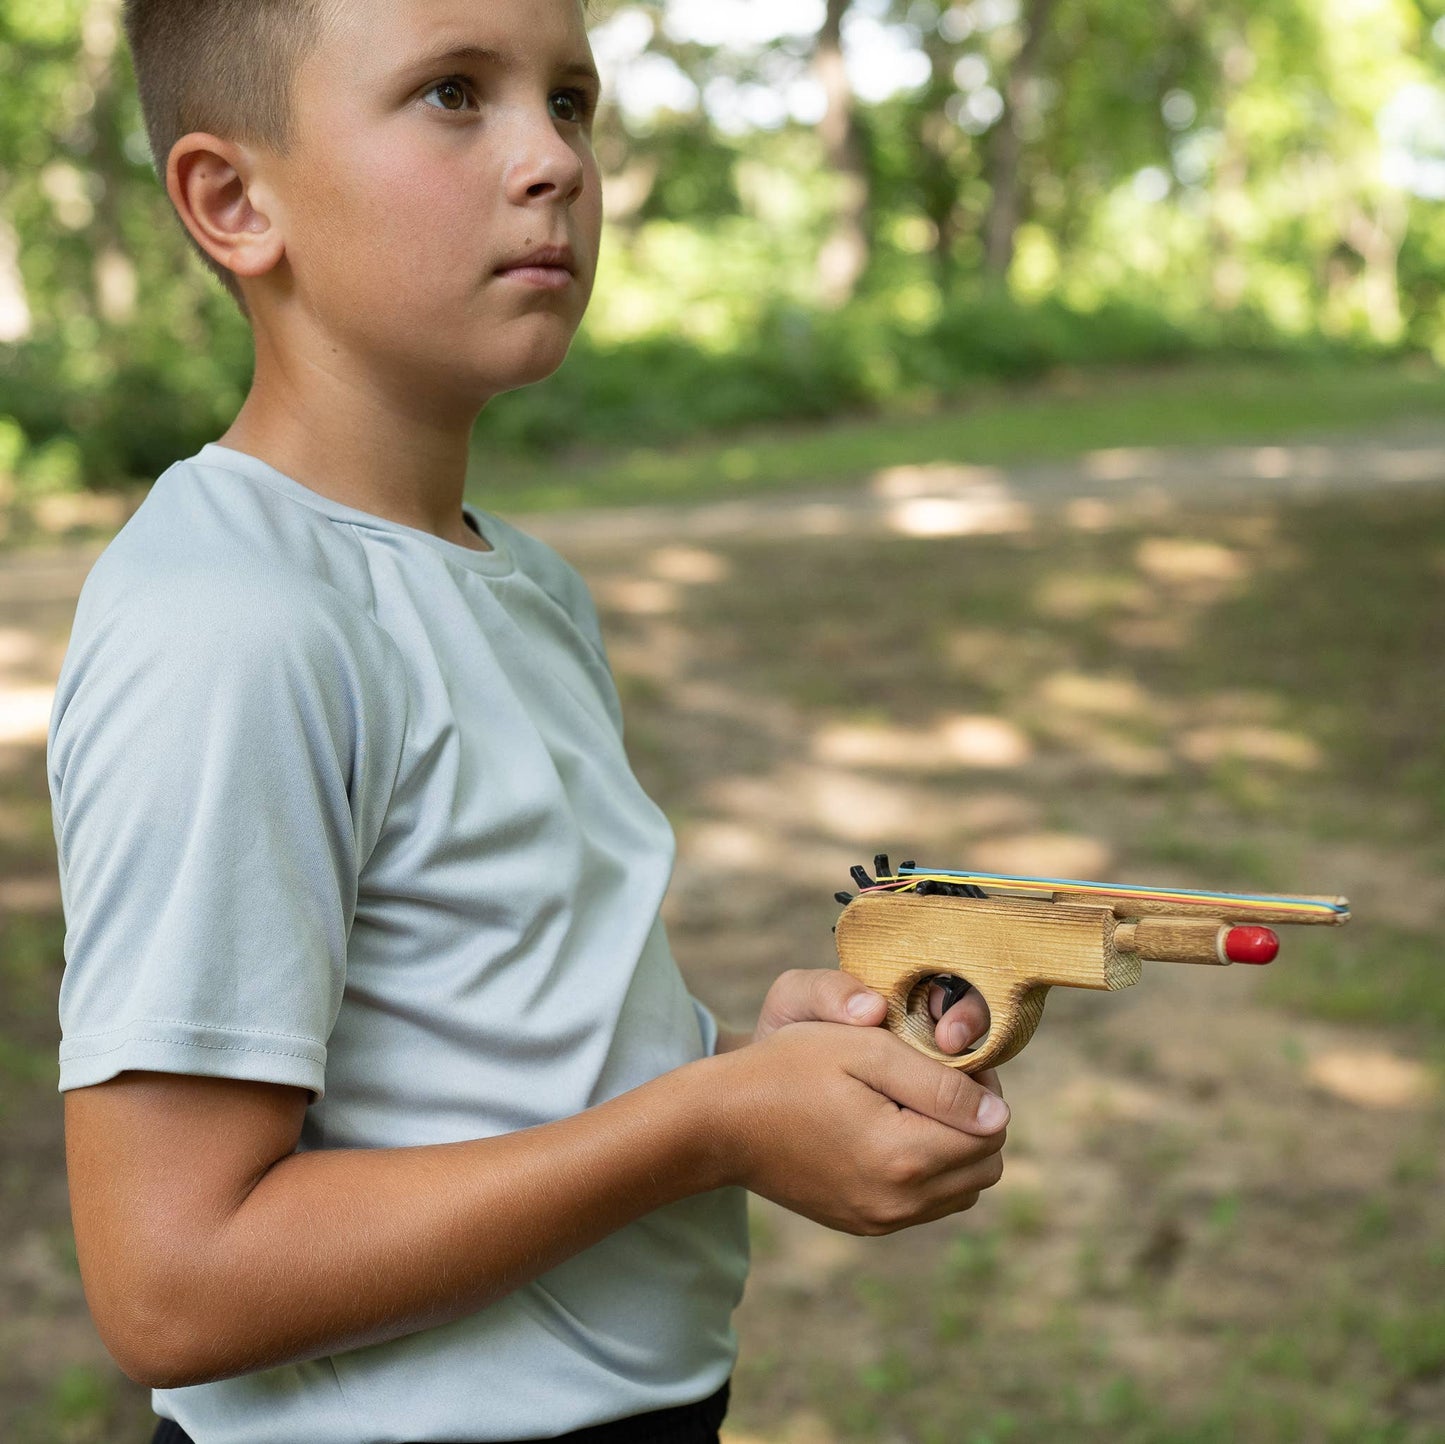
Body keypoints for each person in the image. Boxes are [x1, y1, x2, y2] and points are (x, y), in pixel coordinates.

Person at [45, 1, 1010, 1441]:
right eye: (451, 94)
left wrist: (744, 1074)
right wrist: (703, 1130)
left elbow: (495, 1049)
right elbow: (173, 1282)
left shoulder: (521, 581)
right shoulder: (232, 619)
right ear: (234, 201)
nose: (551, 160)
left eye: (569, 102)